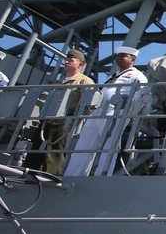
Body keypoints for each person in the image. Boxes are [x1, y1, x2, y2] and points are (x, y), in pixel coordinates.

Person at [64, 46, 149, 177]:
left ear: (132, 59)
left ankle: (101, 176)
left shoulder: (138, 76)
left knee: (107, 147)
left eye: (123, 56)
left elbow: (140, 95)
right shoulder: (112, 76)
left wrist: (131, 113)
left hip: (114, 114)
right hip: (97, 112)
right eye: (118, 56)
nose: (119, 58)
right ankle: (73, 175)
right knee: (83, 145)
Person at [24, 49, 95, 174]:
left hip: (65, 121)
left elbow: (88, 105)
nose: (67, 62)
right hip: (47, 118)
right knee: (37, 148)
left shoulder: (84, 81)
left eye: (71, 60)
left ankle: (48, 176)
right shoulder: (59, 82)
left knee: (54, 151)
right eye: (66, 60)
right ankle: (29, 173)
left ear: (80, 65)